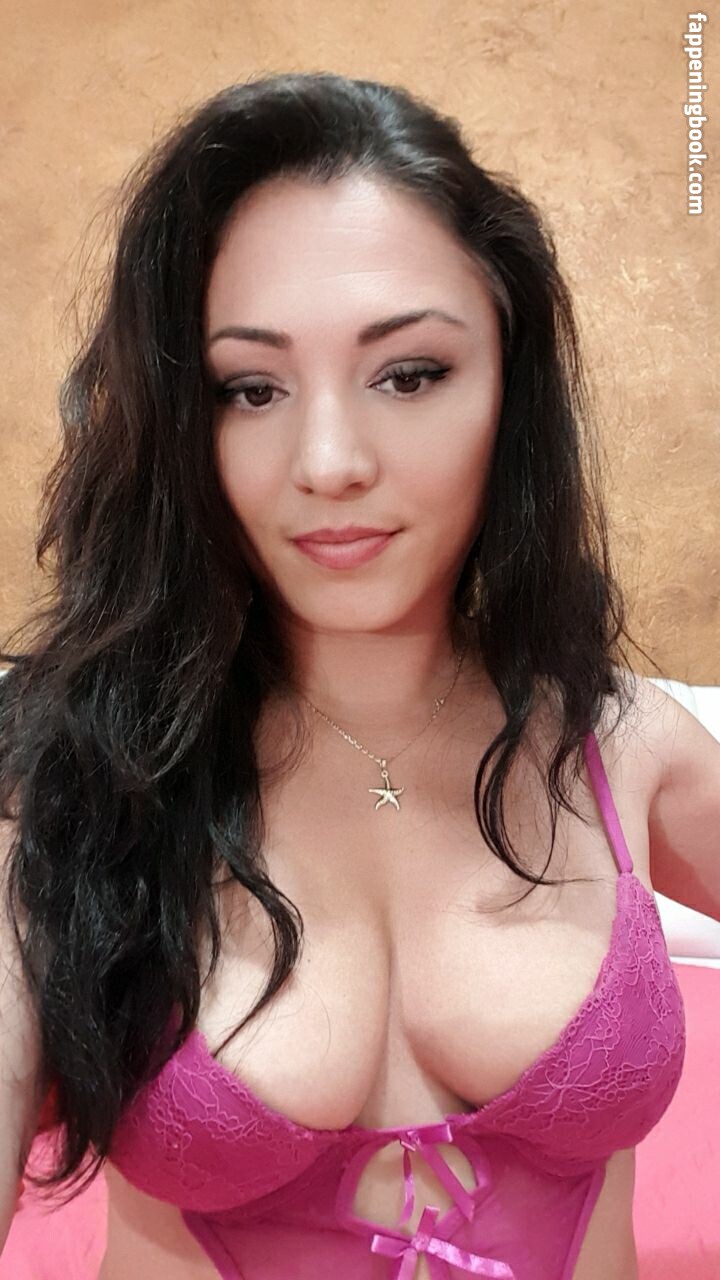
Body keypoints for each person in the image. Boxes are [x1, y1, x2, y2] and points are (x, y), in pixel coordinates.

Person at [0, 70, 699, 1279]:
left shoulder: (627, 744)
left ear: (509, 383)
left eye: (410, 373)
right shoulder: (64, 785)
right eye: (250, 388)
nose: (328, 461)